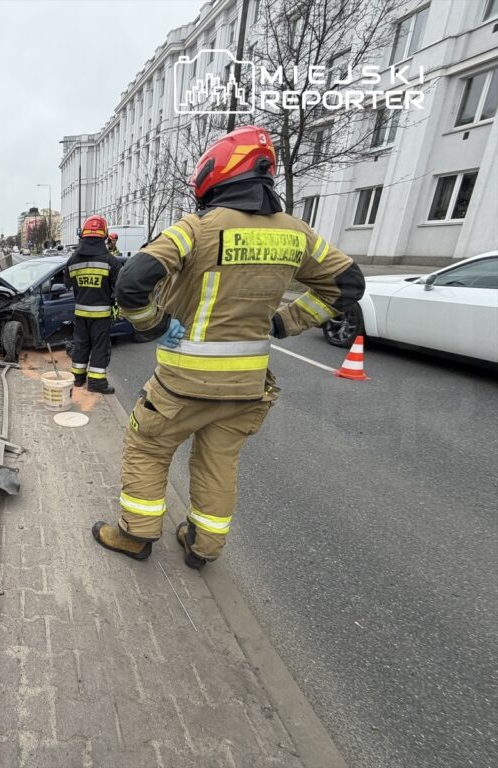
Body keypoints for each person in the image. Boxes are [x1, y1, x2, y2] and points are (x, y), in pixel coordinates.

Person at [91, 125, 365, 569]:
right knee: (218, 463)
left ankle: (135, 534)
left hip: (182, 385)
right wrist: (286, 321)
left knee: (148, 448)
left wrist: (155, 326)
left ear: (215, 173)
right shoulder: (297, 234)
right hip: (247, 388)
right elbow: (347, 284)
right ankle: (202, 547)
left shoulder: (197, 229)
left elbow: (132, 281)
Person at [63, 214, 121, 394]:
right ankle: (96, 383)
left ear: (82, 234)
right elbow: (118, 289)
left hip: (81, 314)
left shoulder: (73, 260)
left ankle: (78, 378)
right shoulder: (111, 261)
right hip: (101, 316)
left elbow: (67, 284)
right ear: (104, 235)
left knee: (81, 345)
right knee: (99, 348)